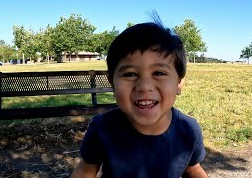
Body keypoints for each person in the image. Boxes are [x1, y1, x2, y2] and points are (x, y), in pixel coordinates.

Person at [71, 20, 208, 178]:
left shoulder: (188, 130)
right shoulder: (102, 128)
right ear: (112, 83)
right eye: (130, 74)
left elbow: (192, 169)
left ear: (179, 83)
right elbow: (86, 170)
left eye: (159, 73)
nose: (144, 86)